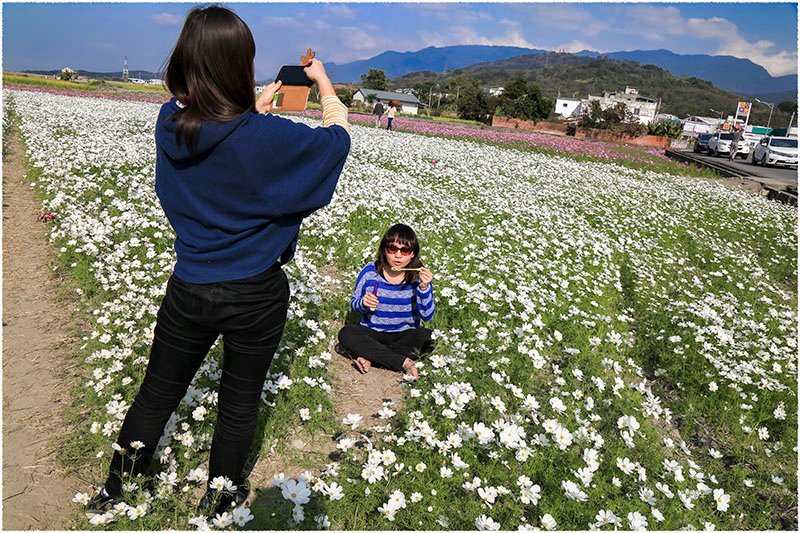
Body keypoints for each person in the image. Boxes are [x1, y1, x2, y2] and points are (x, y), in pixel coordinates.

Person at [86, 5, 350, 518]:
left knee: (156, 393)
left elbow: (216, 125)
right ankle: (219, 501)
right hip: (255, 292)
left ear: (185, 60)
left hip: (188, 285)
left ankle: (117, 490)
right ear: (241, 66)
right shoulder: (268, 139)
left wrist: (254, 109)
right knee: (238, 400)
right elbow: (335, 142)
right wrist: (325, 87)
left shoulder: (169, 123)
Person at [337, 224, 435, 378]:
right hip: (373, 332)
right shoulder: (370, 272)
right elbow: (354, 303)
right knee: (346, 333)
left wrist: (424, 288)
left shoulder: (418, 276)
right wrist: (363, 303)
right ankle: (404, 362)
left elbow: (427, 316)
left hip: (404, 334)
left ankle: (371, 355)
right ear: (384, 249)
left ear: (412, 254)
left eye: (404, 250)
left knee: (430, 338)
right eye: (392, 248)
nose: (398, 255)